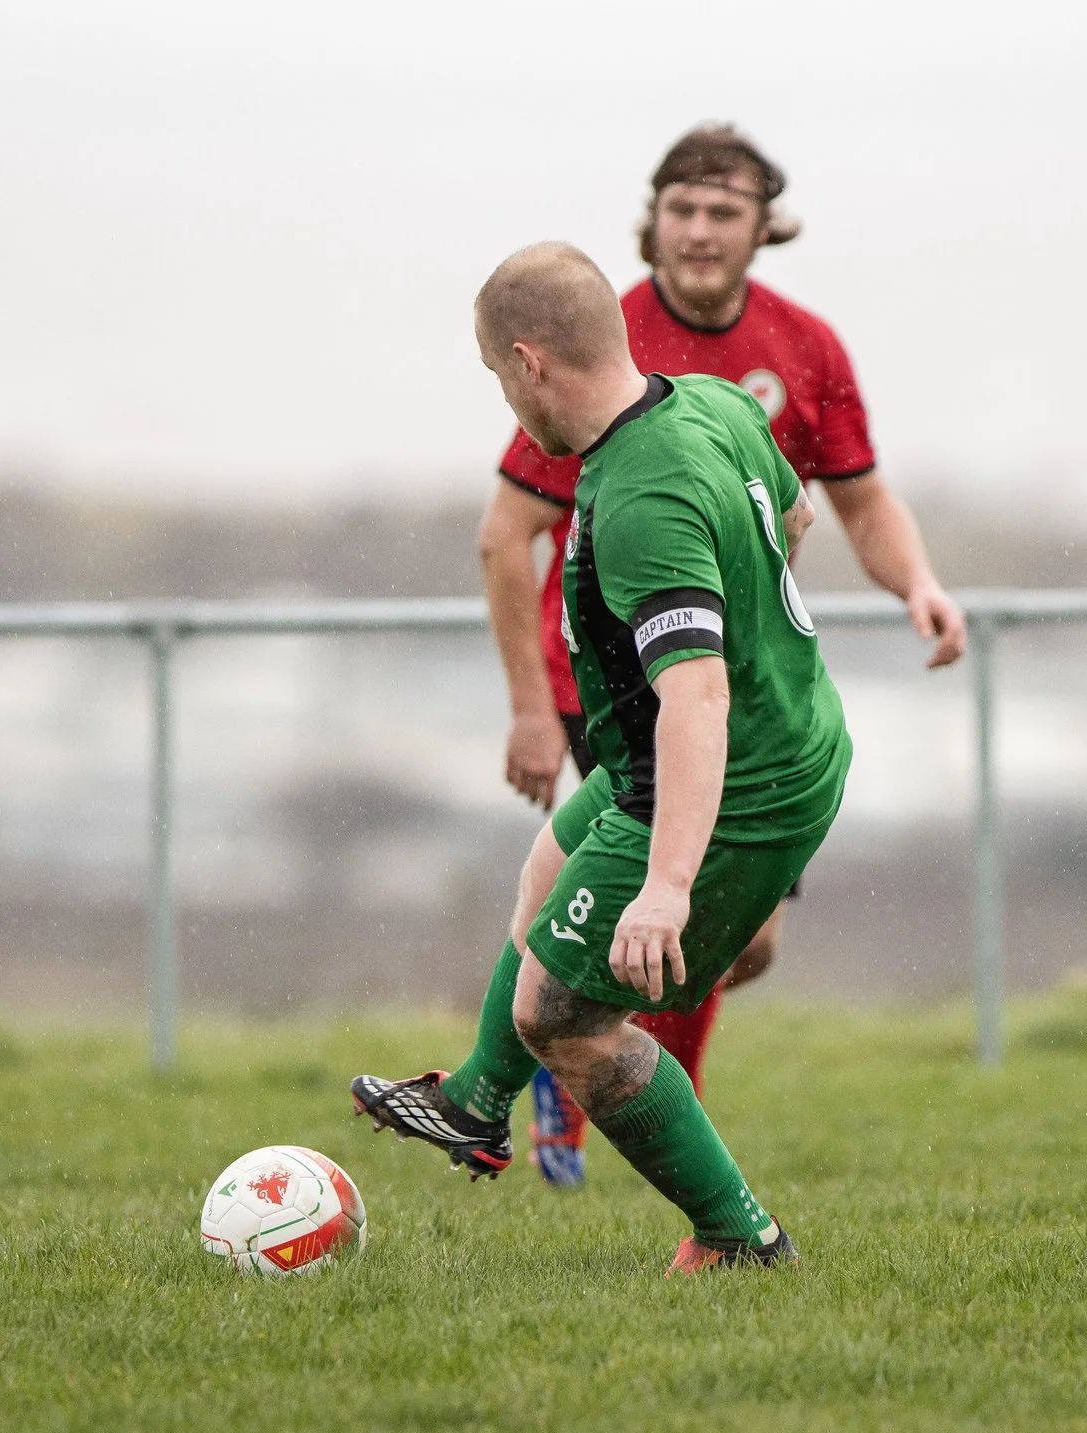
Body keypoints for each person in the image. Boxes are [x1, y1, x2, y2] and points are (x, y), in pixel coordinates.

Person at [475, 124, 965, 1186]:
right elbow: (504, 531)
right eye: (681, 209)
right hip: (627, 692)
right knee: (655, 915)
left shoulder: (805, 348)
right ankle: (612, 1093)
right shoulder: (593, 337)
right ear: (651, 220)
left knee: (743, 949)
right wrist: (526, 706)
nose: (697, 231)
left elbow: (852, 502)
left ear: (760, 230)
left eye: (722, 212)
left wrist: (917, 584)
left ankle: (577, 1056)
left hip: (743, 696)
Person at [353, 241, 854, 1273]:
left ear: (531, 363)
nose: (506, 401)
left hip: (737, 785)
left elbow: (697, 696)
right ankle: (475, 1107)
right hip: (753, 743)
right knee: (545, 870)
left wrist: (667, 885)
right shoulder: (711, 404)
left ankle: (740, 1239)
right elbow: (794, 517)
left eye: (499, 377)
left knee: (566, 1015)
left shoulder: (641, 500)